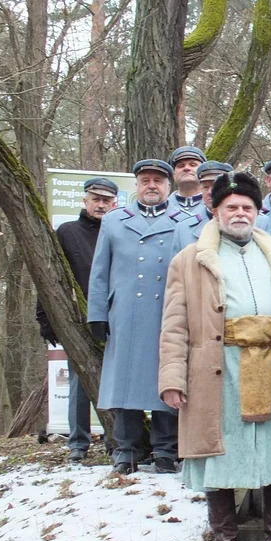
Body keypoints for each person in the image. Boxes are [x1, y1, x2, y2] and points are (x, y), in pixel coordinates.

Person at [159, 171, 271, 541]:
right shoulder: (189, 261)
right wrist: (173, 378)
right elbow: (174, 325)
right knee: (221, 458)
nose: (240, 213)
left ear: (258, 212)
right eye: (232, 207)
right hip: (218, 370)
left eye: (248, 207)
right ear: (216, 211)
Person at [88, 159, 182, 475]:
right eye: (145, 180)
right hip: (125, 313)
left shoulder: (184, 221)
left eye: (158, 180)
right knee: (124, 384)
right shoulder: (115, 221)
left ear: (168, 185)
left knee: (167, 377)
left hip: (167, 313)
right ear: (137, 185)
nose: (151, 185)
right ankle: (125, 450)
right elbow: (100, 272)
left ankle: (166, 450)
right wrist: (97, 314)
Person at [36, 177, 118, 462]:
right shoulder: (67, 232)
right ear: (85, 201)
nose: (101, 205)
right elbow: (49, 278)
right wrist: (45, 318)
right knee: (79, 383)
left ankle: (115, 441)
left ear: (115, 204)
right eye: (96, 199)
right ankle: (78, 444)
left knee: (114, 384)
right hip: (79, 321)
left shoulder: (120, 231)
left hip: (116, 319)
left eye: (106, 200)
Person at [172, 160, 233, 253]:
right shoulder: (183, 228)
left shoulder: (254, 222)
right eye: (205, 187)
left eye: (215, 186)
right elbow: (176, 267)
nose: (210, 192)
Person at [167, 146, 206, 216]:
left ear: (204, 172)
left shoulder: (216, 205)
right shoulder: (163, 208)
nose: (186, 168)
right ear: (173, 174)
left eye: (193, 165)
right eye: (181, 166)